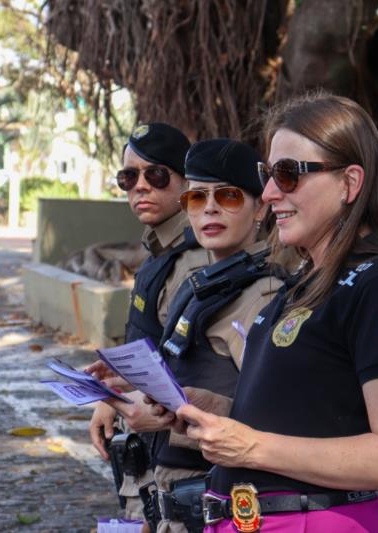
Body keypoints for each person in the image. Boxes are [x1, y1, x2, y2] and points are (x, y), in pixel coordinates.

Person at [173, 94, 378, 532]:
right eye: (268, 174)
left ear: (350, 183)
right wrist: (212, 410)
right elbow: (311, 412)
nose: (271, 192)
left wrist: (251, 447)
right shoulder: (308, 278)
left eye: (288, 174)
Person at [104, 139, 284, 533]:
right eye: (197, 198)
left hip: (222, 501)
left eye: (229, 196)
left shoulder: (265, 295)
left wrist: (178, 414)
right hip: (173, 495)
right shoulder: (205, 282)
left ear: (262, 207)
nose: (211, 208)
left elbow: (278, 419)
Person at [88, 123, 211, 520]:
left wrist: (133, 404)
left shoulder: (198, 257)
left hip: (184, 460)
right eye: (129, 177)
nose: (140, 186)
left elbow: (198, 367)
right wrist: (111, 398)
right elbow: (151, 347)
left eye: (155, 175)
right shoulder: (159, 248)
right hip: (150, 455)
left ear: (185, 182)